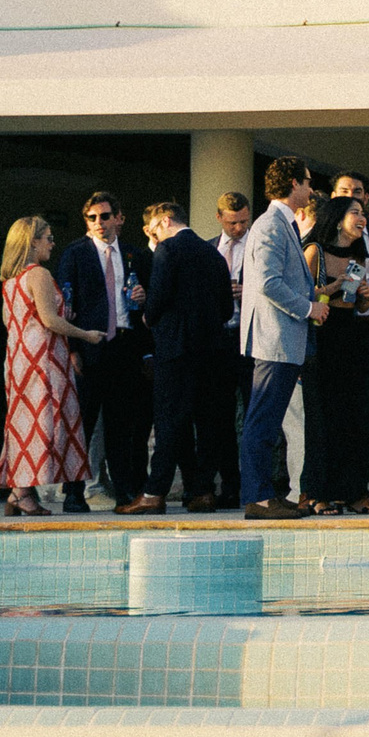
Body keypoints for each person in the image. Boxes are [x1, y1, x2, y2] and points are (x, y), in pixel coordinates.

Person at [118, 201, 234, 515]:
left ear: (167, 221)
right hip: (212, 349)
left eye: (155, 229)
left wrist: (148, 316)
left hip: (176, 348)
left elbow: (157, 299)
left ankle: (154, 492)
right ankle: (203, 491)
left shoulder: (167, 250)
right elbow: (226, 308)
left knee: (168, 421)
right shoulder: (214, 254)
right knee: (207, 422)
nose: (154, 236)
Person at [238, 157, 326, 520]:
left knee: (268, 422)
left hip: (282, 340)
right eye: (307, 182)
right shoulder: (271, 224)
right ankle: (258, 498)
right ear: (293, 183)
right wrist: (308, 308)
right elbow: (268, 282)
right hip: (274, 339)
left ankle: (263, 494)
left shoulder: (281, 223)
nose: (310, 189)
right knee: (262, 422)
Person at [55, 190, 152, 509]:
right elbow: (66, 305)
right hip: (90, 346)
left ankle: (124, 490)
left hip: (124, 345)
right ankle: (73, 492)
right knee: (82, 423)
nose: (99, 222)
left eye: (105, 216)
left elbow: (152, 300)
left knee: (121, 424)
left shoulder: (134, 254)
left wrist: (143, 298)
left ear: (118, 218)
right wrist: (72, 348)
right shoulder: (76, 253)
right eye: (92, 217)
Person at [0, 215, 96, 516]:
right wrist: (86, 335)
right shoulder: (38, 274)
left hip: (19, 358)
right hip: (43, 359)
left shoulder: (10, 281)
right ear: (33, 241)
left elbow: (12, 320)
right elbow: (49, 320)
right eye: (48, 238)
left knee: (25, 424)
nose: (52, 244)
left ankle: (20, 492)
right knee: (45, 423)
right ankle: (21, 493)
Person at [293, 194, 369, 513]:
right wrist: (335, 286)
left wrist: (365, 296)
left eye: (363, 213)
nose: (362, 218)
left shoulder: (358, 257)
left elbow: (356, 305)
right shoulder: (314, 251)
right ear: (336, 219)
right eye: (354, 213)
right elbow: (302, 296)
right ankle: (315, 491)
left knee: (351, 418)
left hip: (350, 337)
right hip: (321, 338)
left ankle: (352, 491)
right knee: (321, 418)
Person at [201, 191, 251, 511]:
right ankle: (229, 486)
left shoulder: (258, 247)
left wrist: (249, 292)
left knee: (253, 415)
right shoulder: (208, 250)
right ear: (219, 218)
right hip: (218, 342)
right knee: (220, 419)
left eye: (244, 221)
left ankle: (256, 484)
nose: (239, 228)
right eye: (233, 223)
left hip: (249, 341)